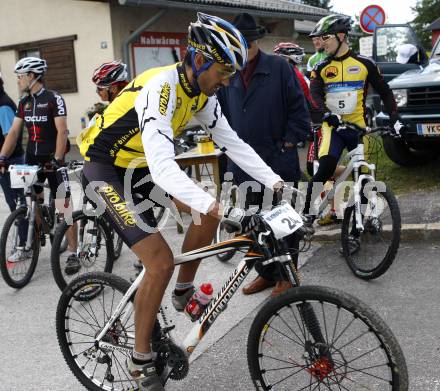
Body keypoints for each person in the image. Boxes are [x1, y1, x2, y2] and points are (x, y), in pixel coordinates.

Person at [78, 12, 283, 390]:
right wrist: (224, 208)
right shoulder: (162, 89)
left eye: (232, 74)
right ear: (200, 60)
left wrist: (276, 182)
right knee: (159, 260)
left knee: (205, 215)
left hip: (137, 169)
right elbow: (163, 170)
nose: (227, 81)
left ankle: (182, 293)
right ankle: (141, 361)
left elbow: (232, 142)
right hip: (105, 170)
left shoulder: (201, 94)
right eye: (223, 71)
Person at [217, 13, 309, 298]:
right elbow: (220, 115)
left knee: (283, 223)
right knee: (254, 222)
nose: (243, 48)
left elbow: (299, 110)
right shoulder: (228, 71)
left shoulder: (279, 68)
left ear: (255, 40)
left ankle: (287, 276)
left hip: (277, 159)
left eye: (247, 42)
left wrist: (288, 143)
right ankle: (266, 274)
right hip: (245, 164)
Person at [303, 15, 402, 253]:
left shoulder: (365, 64)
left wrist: (395, 120)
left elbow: (386, 93)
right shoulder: (321, 67)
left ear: (341, 36)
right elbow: (314, 96)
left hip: (358, 128)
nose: (321, 42)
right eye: (320, 38)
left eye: (325, 37)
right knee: (326, 166)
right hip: (333, 129)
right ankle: (307, 214)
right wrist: (326, 114)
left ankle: (355, 233)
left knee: (364, 178)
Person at [0, 57, 78, 266]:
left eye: (20, 77)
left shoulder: (53, 98)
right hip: (32, 159)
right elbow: (14, 132)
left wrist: (58, 159)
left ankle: (73, 253)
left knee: (64, 205)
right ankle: (36, 236)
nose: (18, 81)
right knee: (34, 201)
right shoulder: (24, 103)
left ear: (32, 76)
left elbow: (62, 131)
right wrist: (2, 157)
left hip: (53, 158)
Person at [0, 72, 26, 212]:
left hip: (10, 162)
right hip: (8, 161)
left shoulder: (3, 106)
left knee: (17, 206)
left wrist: (3, 160)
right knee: (14, 205)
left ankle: (25, 234)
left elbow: (10, 137)